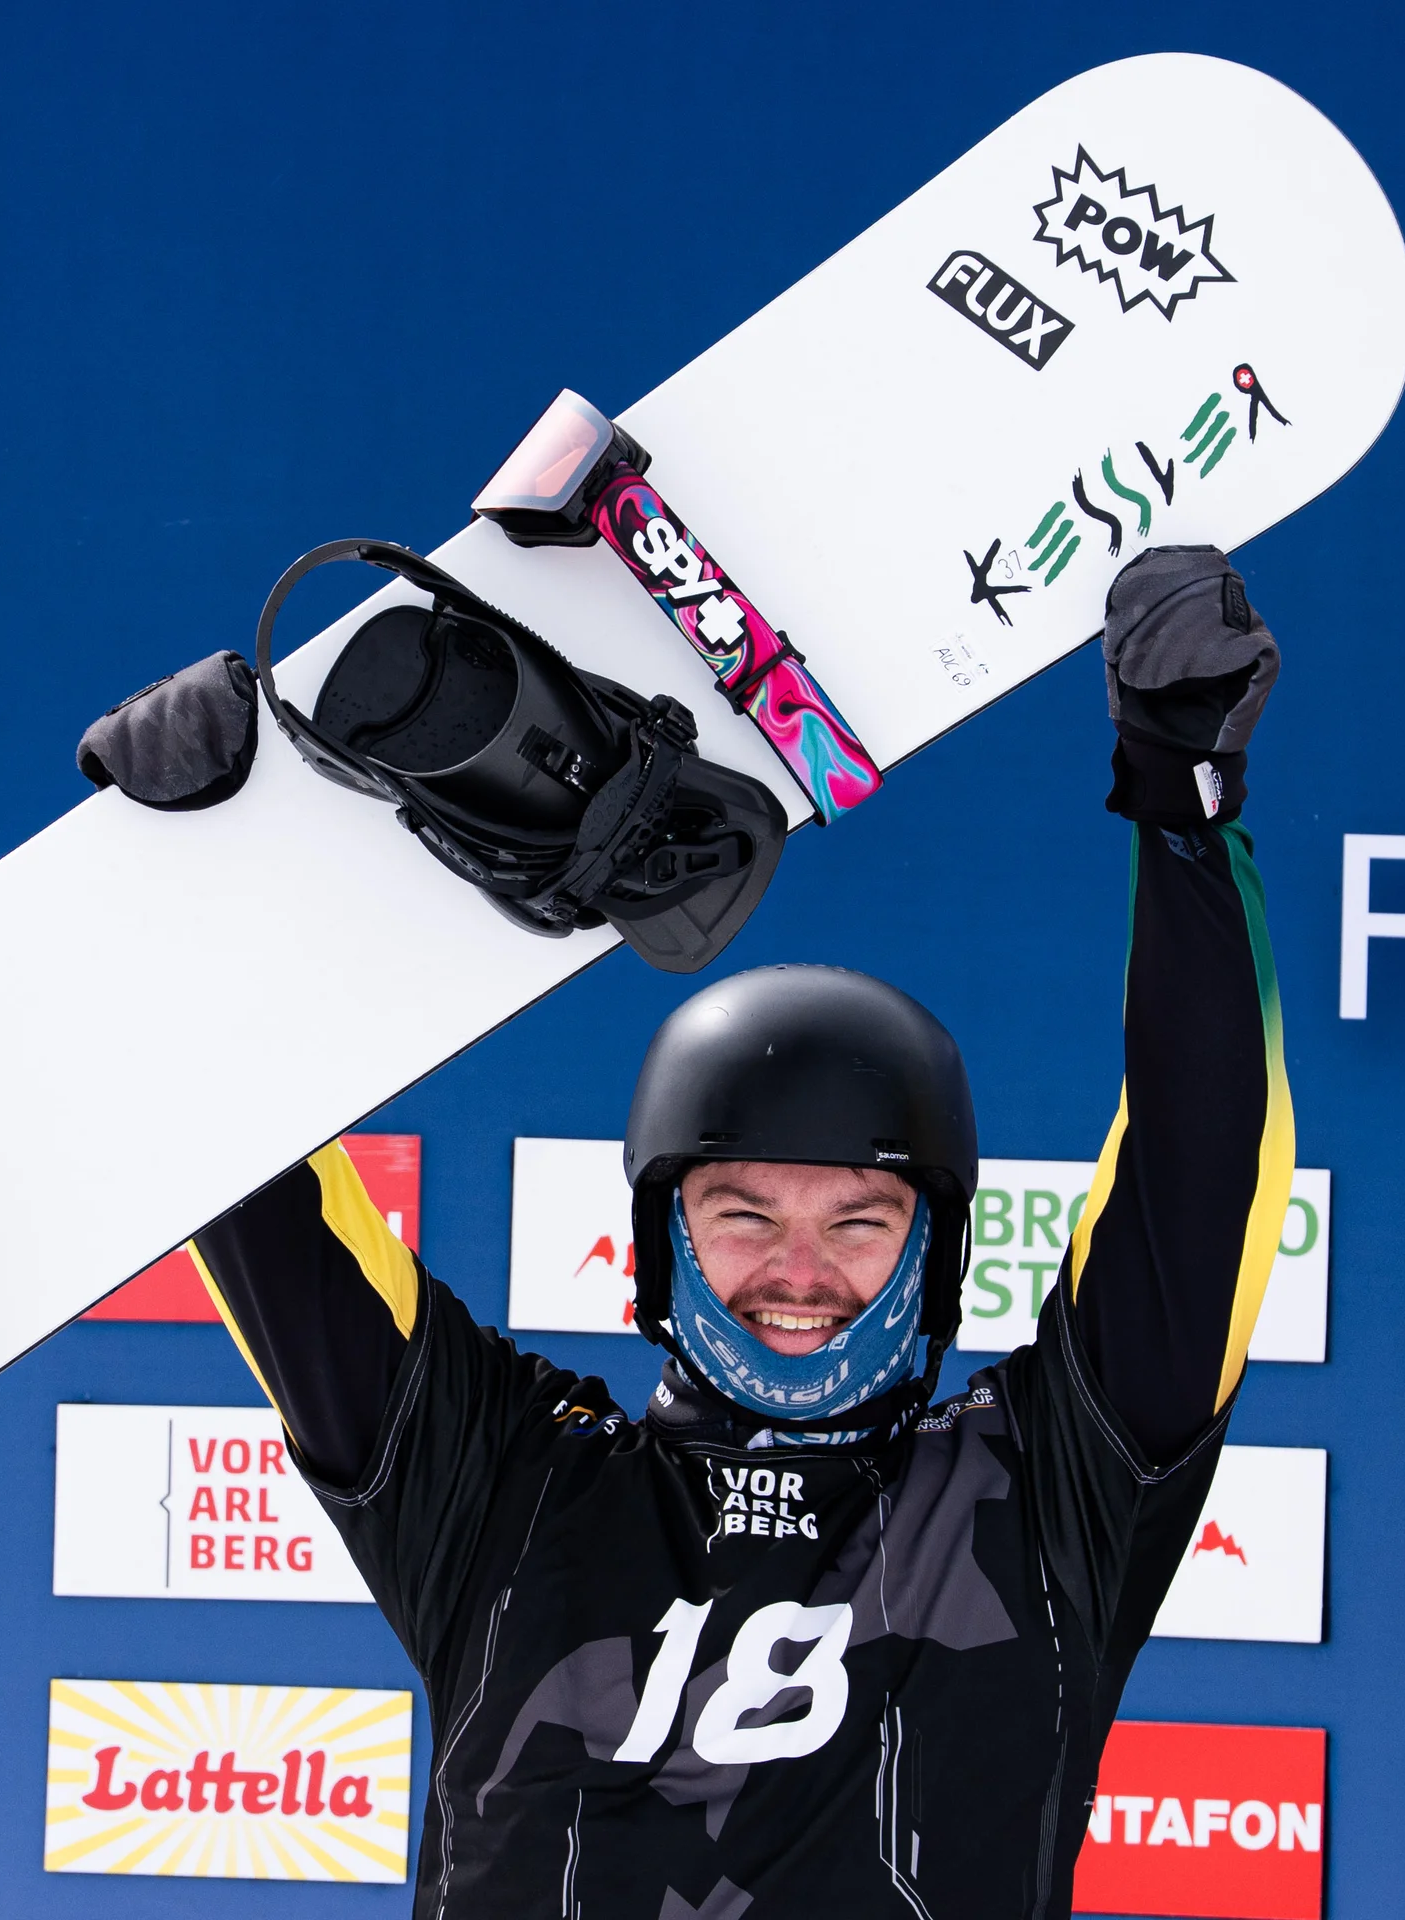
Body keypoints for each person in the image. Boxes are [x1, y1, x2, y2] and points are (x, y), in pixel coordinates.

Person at [193, 545, 1292, 1917]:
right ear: (661, 1235)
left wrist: (1182, 797)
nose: (798, 1273)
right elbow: (262, 1219)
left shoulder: (1042, 1498)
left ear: (936, 1246)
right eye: (742, 1213)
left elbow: (1202, 1179)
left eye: (860, 1220)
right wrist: (186, 888)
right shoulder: (512, 1495)